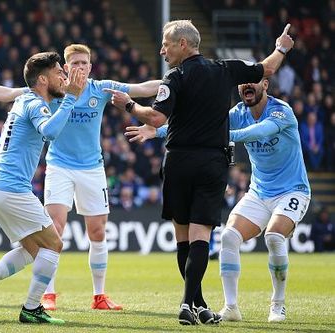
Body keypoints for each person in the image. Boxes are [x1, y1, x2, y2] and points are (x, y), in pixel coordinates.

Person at [105, 20, 294, 325]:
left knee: (183, 237)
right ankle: (196, 303)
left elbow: (154, 116)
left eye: (166, 44)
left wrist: (129, 105)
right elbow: (267, 68)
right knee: (200, 237)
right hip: (212, 163)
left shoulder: (174, 78)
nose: (162, 50)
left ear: (183, 44)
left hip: (178, 161)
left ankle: (188, 303)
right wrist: (281, 48)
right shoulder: (225, 69)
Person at [0, 43, 161, 311]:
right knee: (53, 234)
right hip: (58, 165)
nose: (80, 68)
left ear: (91, 66)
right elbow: (8, 93)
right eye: (75, 64)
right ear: (66, 68)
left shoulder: (98, 88)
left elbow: (142, 88)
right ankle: (45, 297)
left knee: (95, 231)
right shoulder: (52, 90)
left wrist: (174, 80)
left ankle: (99, 295)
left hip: (91, 167)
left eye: (85, 63)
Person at [125, 77, 310, 323]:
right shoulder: (238, 112)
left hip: (292, 190)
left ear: (265, 85)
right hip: (259, 191)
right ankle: (231, 307)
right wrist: (157, 131)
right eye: (243, 84)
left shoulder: (281, 111)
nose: (247, 87)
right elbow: (198, 124)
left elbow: (255, 132)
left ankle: (278, 305)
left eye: (253, 83)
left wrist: (216, 135)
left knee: (274, 236)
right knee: (229, 237)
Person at [0, 52, 86, 324]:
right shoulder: (34, 104)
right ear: (42, 79)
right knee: (53, 244)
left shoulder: (25, 99)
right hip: (10, 189)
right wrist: (71, 98)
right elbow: (50, 132)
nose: (64, 78)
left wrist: (71, 95)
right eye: (59, 73)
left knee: (33, 248)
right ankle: (31, 309)